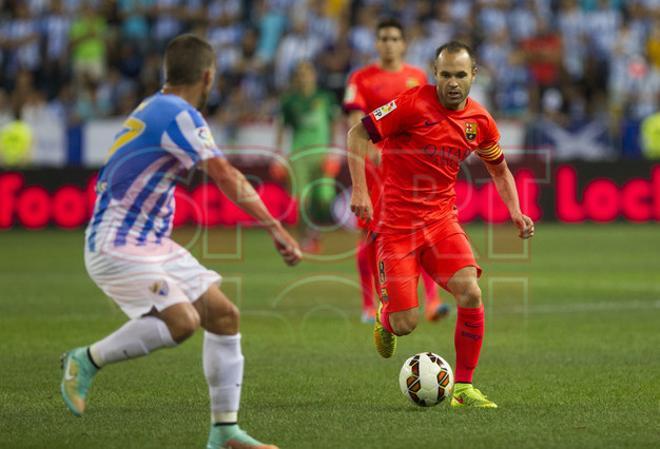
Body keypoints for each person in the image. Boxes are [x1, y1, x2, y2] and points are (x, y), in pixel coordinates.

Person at [59, 34, 301, 449]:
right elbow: (225, 174)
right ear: (208, 76)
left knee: (224, 316)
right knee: (183, 321)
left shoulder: (153, 106)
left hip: (149, 241)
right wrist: (275, 227)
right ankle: (86, 360)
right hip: (118, 244)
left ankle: (224, 432)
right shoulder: (179, 114)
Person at [347, 41, 535, 408]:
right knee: (406, 323)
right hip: (396, 227)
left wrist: (515, 210)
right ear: (435, 74)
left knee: (471, 291)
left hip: (440, 222)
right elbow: (357, 133)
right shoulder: (410, 104)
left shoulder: (479, 121)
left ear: (473, 76)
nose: (452, 82)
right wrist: (360, 190)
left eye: (460, 75)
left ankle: (463, 389)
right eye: (445, 74)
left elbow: (499, 169)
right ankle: (386, 318)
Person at [343, 18, 447, 324]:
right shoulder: (361, 78)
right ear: (376, 43)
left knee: (421, 230)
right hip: (374, 168)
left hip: (408, 168)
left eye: (394, 38)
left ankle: (432, 301)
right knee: (372, 237)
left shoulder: (417, 77)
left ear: (403, 44)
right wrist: (371, 149)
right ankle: (368, 304)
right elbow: (355, 120)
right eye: (383, 38)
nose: (388, 44)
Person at [272, 60, 341, 252]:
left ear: (314, 75)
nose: (304, 77)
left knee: (324, 198)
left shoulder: (325, 98)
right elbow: (281, 127)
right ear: (296, 78)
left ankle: (314, 230)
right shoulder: (289, 101)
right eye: (300, 74)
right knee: (300, 200)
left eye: (307, 73)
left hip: (321, 153)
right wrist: (278, 155)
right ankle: (305, 237)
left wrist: (334, 150)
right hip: (298, 154)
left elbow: (335, 123)